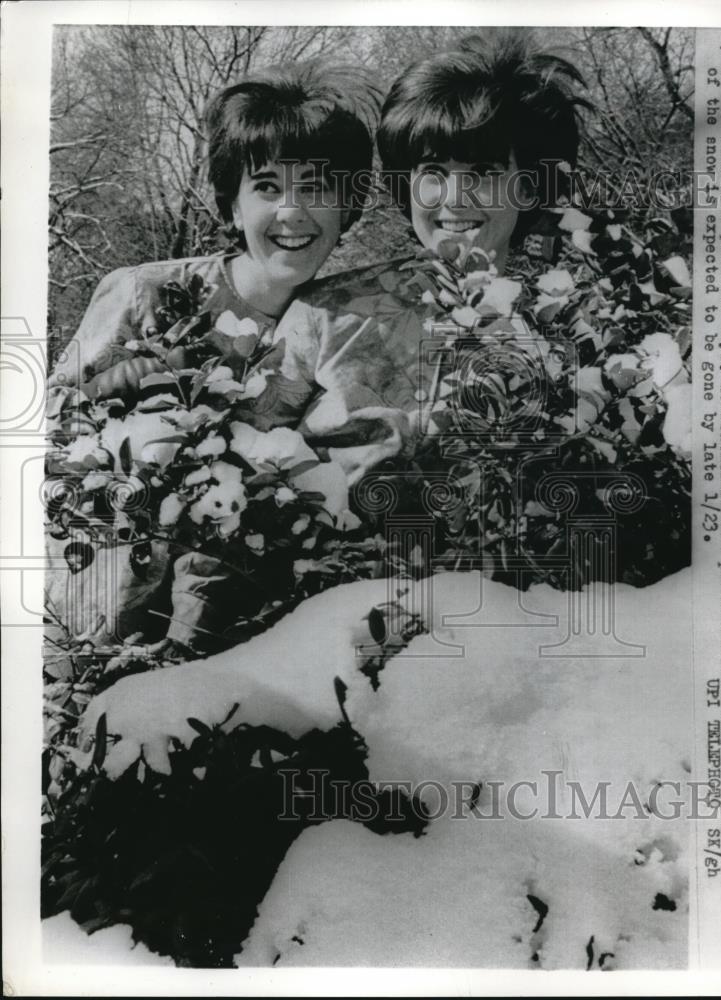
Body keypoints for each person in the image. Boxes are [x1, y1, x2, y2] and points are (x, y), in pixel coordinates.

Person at [45, 61, 381, 657]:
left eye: (316, 188)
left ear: (347, 208)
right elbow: (50, 436)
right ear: (231, 205)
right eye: (268, 187)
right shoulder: (146, 294)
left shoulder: (340, 327)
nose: (292, 212)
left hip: (232, 633)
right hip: (98, 612)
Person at [266, 32, 586, 483]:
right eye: (432, 172)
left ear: (530, 186)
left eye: (483, 172)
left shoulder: (574, 325)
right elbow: (247, 458)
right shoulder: (328, 313)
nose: (453, 199)